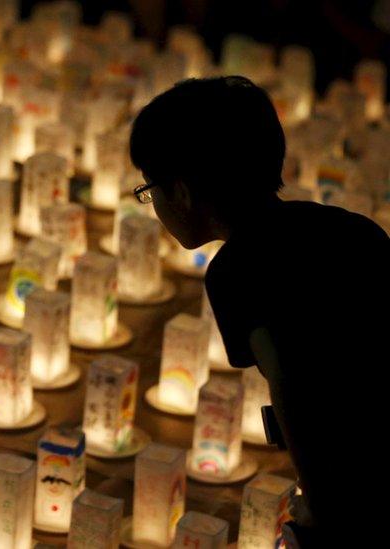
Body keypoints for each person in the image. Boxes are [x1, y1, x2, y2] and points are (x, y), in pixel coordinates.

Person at [129, 75, 390, 543]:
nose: (154, 204)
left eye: (151, 189)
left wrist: (321, 507)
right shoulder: (349, 228)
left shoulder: (237, 272)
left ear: (183, 192)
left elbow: (292, 387)